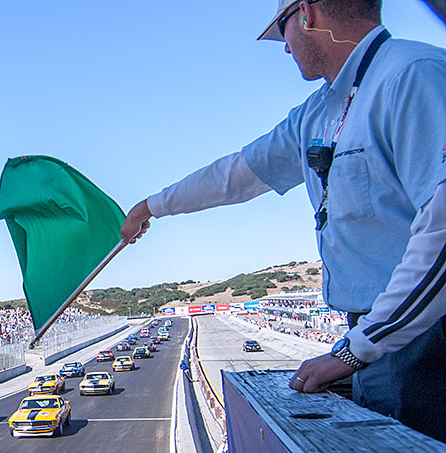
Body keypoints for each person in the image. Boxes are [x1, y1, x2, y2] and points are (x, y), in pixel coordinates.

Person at [119, 0, 446, 441]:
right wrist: (153, 206)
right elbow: (236, 174)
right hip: (380, 341)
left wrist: (356, 351)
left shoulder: (414, 75)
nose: (285, 48)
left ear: (307, 14)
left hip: (424, 339)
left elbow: (442, 233)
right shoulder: (318, 112)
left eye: (282, 30)